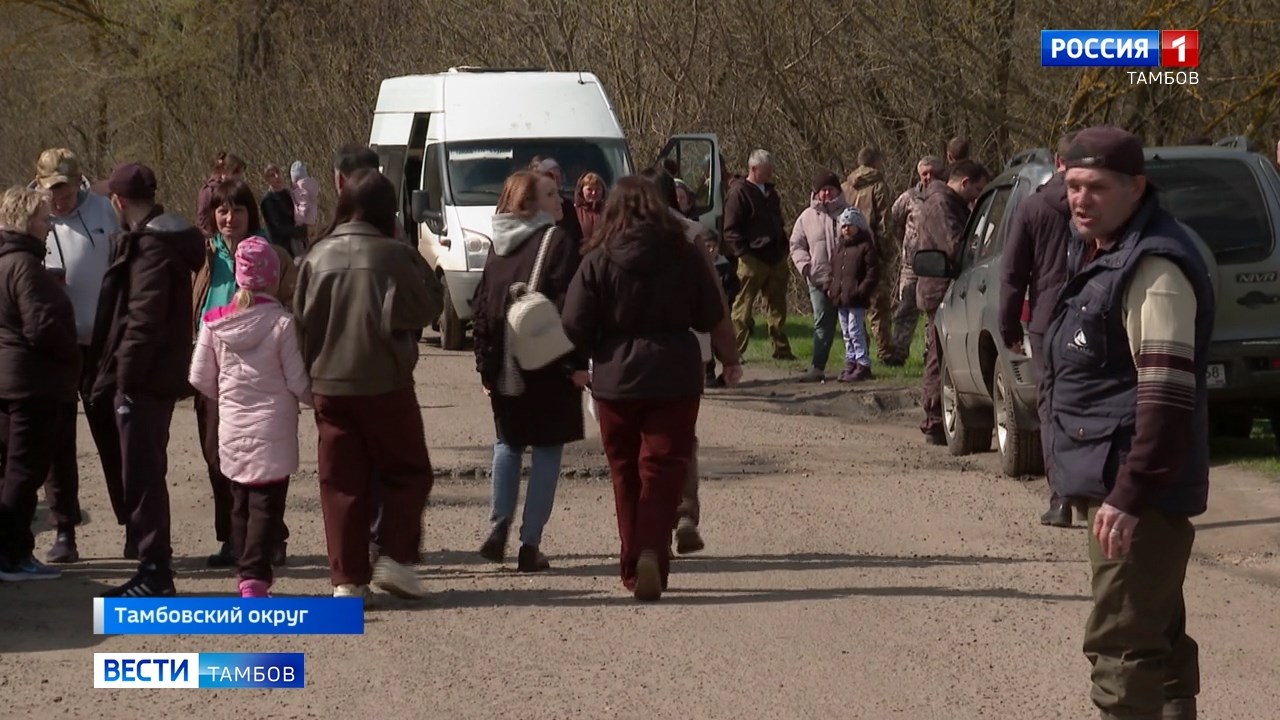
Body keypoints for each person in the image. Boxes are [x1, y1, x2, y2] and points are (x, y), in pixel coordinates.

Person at [1043, 126, 1215, 720]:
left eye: (1096, 187)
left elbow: (1166, 399)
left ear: (1136, 187)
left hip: (1136, 492)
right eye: (1072, 185)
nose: (1080, 200)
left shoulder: (1154, 265)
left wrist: (1131, 493)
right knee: (1156, 637)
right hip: (1117, 480)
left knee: (1123, 647)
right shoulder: (1104, 247)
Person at [562, 176, 739, 602]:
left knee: (624, 472)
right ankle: (650, 553)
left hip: (616, 379)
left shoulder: (597, 259)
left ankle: (632, 562)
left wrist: (572, 366)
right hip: (674, 375)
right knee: (661, 469)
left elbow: (574, 323)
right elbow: (712, 313)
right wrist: (729, 359)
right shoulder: (684, 254)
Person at [295, 168, 443, 602]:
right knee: (408, 471)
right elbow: (431, 303)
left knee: (341, 483)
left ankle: (347, 580)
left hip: (329, 384)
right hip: (386, 380)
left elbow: (300, 322)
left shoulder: (317, 255)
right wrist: (393, 314)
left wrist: (308, 374)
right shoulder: (395, 254)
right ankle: (394, 557)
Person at [89, 163, 205, 597]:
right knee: (144, 471)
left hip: (143, 381)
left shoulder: (153, 248)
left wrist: (124, 381)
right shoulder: (160, 240)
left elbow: (143, 321)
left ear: (119, 202)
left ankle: (155, 571)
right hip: (151, 377)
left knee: (142, 473)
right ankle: (151, 565)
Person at [471, 171, 588, 572]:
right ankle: (530, 543)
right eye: (552, 194)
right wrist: (575, 365)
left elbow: (482, 308)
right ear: (529, 204)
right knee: (547, 449)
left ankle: (499, 523)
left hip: (506, 364)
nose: (562, 200)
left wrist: (485, 368)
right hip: (548, 361)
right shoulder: (558, 242)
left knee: (508, 442)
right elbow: (570, 309)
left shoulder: (496, 245)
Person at [189, 237, 312, 598]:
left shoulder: (215, 325)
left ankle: (244, 571)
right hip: (273, 431)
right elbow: (297, 379)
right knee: (266, 506)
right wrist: (318, 402)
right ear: (273, 278)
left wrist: (224, 397)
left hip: (232, 427)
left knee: (239, 502)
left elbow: (198, 377)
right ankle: (255, 579)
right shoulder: (282, 325)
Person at [193, 179, 297, 568]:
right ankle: (233, 539)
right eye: (222, 210)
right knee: (217, 458)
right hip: (216, 371)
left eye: (237, 210)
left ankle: (271, 538)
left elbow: (291, 307)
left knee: (266, 463)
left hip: (263, 376)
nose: (229, 217)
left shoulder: (273, 256)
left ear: (250, 214)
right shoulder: (205, 257)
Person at [641, 167, 740, 556]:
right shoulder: (691, 235)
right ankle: (683, 512)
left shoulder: (615, 235)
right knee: (682, 436)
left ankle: (650, 525)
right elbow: (713, 299)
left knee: (640, 441)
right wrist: (727, 354)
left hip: (627, 357)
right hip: (686, 348)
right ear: (673, 196)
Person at [32, 148, 121, 563]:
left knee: (115, 436)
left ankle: (133, 524)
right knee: (58, 441)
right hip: (55, 347)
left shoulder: (105, 211)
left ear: (78, 182)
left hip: (102, 343)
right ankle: (64, 529)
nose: (58, 199)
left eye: (64, 190)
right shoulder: (32, 220)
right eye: (51, 191)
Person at [998, 132, 1078, 528]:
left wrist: (1008, 324)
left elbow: (1013, 274)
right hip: (1097, 315)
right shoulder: (1107, 204)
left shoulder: (1033, 207)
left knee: (1052, 406)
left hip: (1047, 319)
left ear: (1057, 163)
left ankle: (1062, 498)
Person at [0, 186, 79, 581]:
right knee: (24, 473)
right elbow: (41, 327)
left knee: (10, 471)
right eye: (44, 220)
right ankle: (12, 556)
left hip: (9, 381)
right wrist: (72, 352)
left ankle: (11, 553)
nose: (49, 227)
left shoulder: (5, 262)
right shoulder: (25, 267)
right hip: (30, 384)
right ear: (25, 222)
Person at [915, 160, 990, 444]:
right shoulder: (941, 205)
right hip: (941, 288)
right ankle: (933, 417)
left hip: (948, 285)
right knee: (939, 354)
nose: (977, 196)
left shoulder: (947, 203)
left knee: (943, 353)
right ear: (965, 182)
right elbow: (956, 245)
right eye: (978, 189)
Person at [724, 150, 793, 360]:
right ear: (753, 169)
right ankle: (734, 352)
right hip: (752, 259)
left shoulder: (771, 194)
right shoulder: (739, 193)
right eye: (767, 170)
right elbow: (730, 229)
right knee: (743, 308)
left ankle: (781, 349)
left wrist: (783, 244)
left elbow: (778, 221)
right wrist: (743, 254)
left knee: (777, 306)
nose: (771, 174)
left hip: (776, 256)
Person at [789, 169, 850, 382]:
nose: (826, 194)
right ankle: (817, 367)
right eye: (822, 190)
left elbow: (865, 241)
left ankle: (856, 366)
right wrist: (806, 267)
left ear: (838, 191)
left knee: (851, 324)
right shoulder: (806, 217)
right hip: (818, 280)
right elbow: (796, 245)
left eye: (830, 189)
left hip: (846, 279)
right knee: (822, 323)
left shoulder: (849, 213)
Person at [841, 146, 896, 365]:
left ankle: (857, 351)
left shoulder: (845, 187)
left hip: (849, 253)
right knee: (878, 305)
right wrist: (886, 254)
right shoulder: (878, 186)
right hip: (872, 251)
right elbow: (884, 224)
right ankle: (885, 352)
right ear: (876, 163)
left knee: (854, 303)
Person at [886, 156, 942, 365]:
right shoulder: (909, 197)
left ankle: (932, 353)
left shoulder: (946, 196)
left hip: (937, 264)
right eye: (925, 173)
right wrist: (907, 243)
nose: (929, 177)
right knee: (906, 308)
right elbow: (893, 221)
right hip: (911, 264)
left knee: (933, 312)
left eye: (932, 173)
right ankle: (898, 352)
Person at [826, 207, 880, 382]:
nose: (846, 229)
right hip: (841, 297)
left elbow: (872, 273)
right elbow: (834, 271)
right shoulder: (839, 249)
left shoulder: (865, 247)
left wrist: (861, 290)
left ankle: (863, 363)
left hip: (856, 298)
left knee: (856, 330)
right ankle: (851, 360)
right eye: (843, 225)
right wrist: (831, 288)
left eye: (850, 225)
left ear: (858, 226)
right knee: (846, 332)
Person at [530, 157, 583, 245]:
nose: (556, 180)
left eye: (558, 177)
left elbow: (577, 238)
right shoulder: (530, 207)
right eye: (551, 176)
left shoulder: (567, 206)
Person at [197, 152, 245, 236]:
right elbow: (203, 217)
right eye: (236, 172)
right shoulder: (210, 190)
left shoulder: (237, 190)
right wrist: (210, 237)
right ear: (225, 170)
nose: (239, 177)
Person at [260, 165, 303, 258]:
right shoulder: (268, 200)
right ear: (267, 180)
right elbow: (278, 227)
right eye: (272, 175)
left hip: (298, 241)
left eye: (278, 173)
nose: (277, 177)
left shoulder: (289, 194)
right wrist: (302, 231)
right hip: (282, 246)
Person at [290, 161, 320, 247]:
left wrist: (298, 220)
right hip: (312, 218)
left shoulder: (300, 190)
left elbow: (303, 205)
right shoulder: (311, 187)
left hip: (304, 221)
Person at [573, 172, 607, 248]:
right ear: (581, 190)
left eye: (597, 189)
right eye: (589, 189)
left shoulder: (609, 211)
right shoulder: (574, 212)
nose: (594, 193)